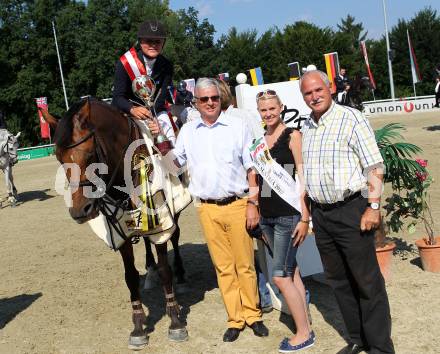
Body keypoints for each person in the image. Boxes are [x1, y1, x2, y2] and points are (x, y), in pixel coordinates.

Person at [148, 77, 268, 342]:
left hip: (238, 205)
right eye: (204, 99)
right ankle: (235, 319)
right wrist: (159, 139)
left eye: (214, 97)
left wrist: (253, 203)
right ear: (196, 103)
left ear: (219, 98)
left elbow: (252, 168)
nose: (211, 103)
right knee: (223, 267)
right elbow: (175, 166)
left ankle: (253, 315)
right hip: (207, 209)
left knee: (245, 265)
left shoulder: (238, 126)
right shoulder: (189, 132)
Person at [300, 70, 394, 354]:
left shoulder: (351, 119)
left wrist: (373, 207)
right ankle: (357, 339)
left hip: (352, 210)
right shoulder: (307, 126)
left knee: (367, 282)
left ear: (330, 88)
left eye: (319, 90)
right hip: (323, 215)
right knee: (338, 281)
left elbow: (374, 167)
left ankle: (379, 347)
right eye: (308, 93)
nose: (314, 96)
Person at [251, 89, 314, 353]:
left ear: (281, 108)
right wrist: (253, 205)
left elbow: (303, 176)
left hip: (289, 216)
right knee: (291, 271)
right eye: (264, 110)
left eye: (272, 109)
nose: (268, 114)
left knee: (280, 277)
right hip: (267, 216)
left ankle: (304, 333)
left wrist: (305, 216)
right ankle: (304, 322)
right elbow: (256, 179)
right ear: (259, 112)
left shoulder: (293, 136)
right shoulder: (259, 143)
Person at [112, 19, 175, 144]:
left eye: (158, 41)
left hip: (155, 112)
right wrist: (132, 109)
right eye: (148, 41)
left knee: (170, 137)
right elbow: (117, 98)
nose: (153, 45)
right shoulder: (125, 63)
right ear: (140, 41)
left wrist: (152, 117)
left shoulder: (167, 65)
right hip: (129, 112)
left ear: (163, 43)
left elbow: (161, 98)